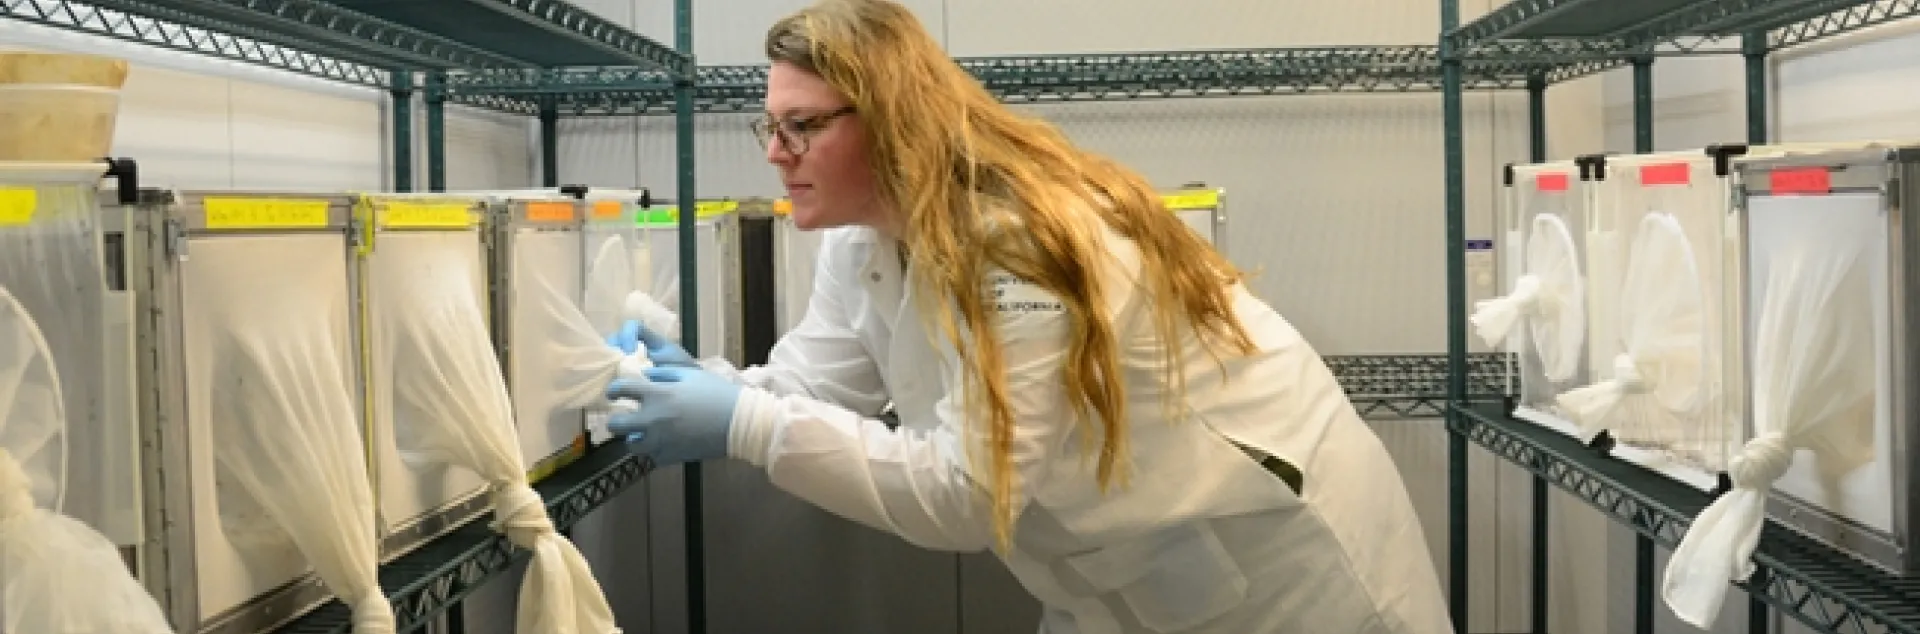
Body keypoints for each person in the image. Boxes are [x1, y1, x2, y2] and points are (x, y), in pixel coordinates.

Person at [603, 0, 1453, 631]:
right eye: (770, 125)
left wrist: (743, 424)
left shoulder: (1018, 242)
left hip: (1278, 563)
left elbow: (970, 495)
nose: (773, 152)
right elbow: (805, 387)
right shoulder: (861, 243)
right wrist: (702, 385)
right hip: (1119, 568)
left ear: (893, 122)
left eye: (802, 127)